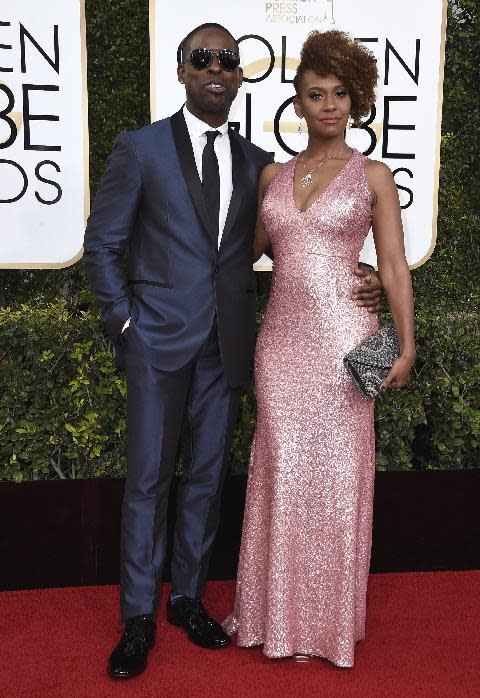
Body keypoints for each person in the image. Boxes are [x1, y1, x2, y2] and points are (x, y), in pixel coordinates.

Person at [84, 23, 383, 680]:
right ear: (182, 69)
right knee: (147, 482)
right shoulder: (140, 150)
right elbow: (102, 244)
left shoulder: (260, 165)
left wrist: (365, 283)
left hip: (232, 346)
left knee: (208, 480)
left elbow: (305, 244)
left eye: (227, 58)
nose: (216, 67)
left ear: (239, 76)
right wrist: (124, 325)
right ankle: (138, 616)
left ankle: (187, 599)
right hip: (158, 343)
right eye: (202, 58)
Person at [223, 30, 416, 668]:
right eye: (315, 94)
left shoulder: (374, 175)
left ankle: (325, 623)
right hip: (279, 341)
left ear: (355, 101)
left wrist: (406, 344)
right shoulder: (273, 176)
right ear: (298, 105)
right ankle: (270, 616)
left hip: (343, 342)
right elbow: (246, 251)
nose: (328, 105)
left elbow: (390, 264)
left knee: (335, 480)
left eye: (340, 94)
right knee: (281, 470)